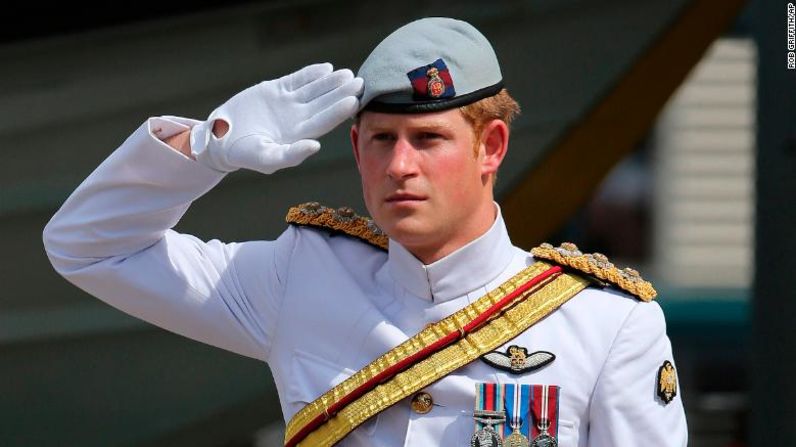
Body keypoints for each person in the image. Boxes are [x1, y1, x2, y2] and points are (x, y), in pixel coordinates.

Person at [43, 17, 687, 446]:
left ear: (491, 147)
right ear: (356, 148)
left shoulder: (606, 326)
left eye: (429, 139)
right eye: (382, 140)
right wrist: (206, 145)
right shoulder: (299, 277)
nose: (399, 166)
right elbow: (88, 246)